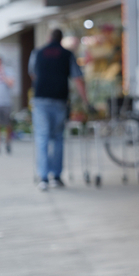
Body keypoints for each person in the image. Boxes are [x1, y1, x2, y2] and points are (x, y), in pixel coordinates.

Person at [29, 29, 89, 192]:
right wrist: (86, 101)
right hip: (59, 100)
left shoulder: (38, 52)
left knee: (42, 138)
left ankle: (43, 178)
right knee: (57, 138)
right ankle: (55, 176)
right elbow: (78, 78)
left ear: (49, 38)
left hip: (41, 99)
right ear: (61, 39)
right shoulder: (67, 54)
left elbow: (33, 74)